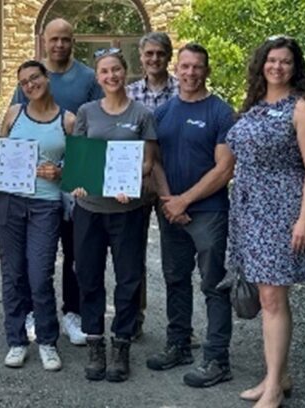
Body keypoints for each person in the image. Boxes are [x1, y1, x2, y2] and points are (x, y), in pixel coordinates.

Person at [226, 36, 305, 407]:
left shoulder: (301, 109)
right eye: (272, 60)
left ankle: (272, 391)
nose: (277, 67)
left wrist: (304, 219)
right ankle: (277, 376)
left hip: (283, 211)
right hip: (250, 211)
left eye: (285, 62)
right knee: (268, 296)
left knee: (272, 298)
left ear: (294, 67)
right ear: (262, 64)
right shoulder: (254, 105)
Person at [145, 44, 235, 388]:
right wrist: (170, 200)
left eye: (197, 67)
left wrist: (185, 200)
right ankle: (179, 344)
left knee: (213, 285)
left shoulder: (220, 113)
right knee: (175, 278)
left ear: (206, 71)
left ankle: (217, 358)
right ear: (176, 70)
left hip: (208, 212)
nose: (191, 73)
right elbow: (154, 162)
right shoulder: (164, 112)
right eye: (185, 66)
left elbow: (224, 169)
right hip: (171, 210)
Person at [10, 17, 102, 346]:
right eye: (54, 39)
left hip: (74, 183)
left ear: (72, 40)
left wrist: (70, 169)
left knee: (76, 251)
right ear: (43, 40)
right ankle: (35, 312)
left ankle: (72, 313)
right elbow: (13, 132)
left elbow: (95, 128)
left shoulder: (89, 78)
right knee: (35, 256)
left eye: (66, 38)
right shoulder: (30, 78)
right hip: (32, 186)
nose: (60, 44)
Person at [71, 49, 157, 382]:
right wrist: (77, 181)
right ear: (98, 77)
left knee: (128, 278)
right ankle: (95, 342)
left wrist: (132, 181)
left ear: (126, 72)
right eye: (105, 71)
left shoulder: (142, 114)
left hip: (128, 210)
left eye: (116, 70)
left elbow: (148, 162)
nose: (111, 76)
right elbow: (78, 158)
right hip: (90, 209)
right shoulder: (86, 112)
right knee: (89, 276)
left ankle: (121, 344)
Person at [0, 60, 75, 371]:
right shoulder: (14, 114)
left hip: (45, 204)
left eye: (35, 78)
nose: (30, 85)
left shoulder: (67, 121)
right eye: (24, 82)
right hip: (10, 202)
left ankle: (46, 341)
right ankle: (16, 340)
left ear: (47, 78)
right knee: (12, 275)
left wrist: (61, 171)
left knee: (40, 276)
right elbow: (0, 155)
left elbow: (78, 169)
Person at [126, 32, 179, 340]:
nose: (155, 59)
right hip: (136, 182)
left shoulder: (182, 91)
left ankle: (179, 325)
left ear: (168, 56)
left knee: (175, 258)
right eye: (149, 54)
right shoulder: (130, 93)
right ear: (141, 56)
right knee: (133, 255)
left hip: (172, 184)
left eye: (160, 54)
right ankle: (134, 319)